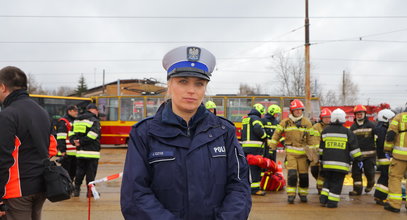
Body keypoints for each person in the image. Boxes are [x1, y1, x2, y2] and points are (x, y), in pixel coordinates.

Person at [120, 46, 251, 219]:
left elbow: (239, 187)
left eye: (199, 83)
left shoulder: (224, 132)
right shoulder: (144, 134)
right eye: (183, 81)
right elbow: (135, 196)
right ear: (169, 85)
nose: (192, 90)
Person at [0, 66, 52, 220]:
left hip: (16, 190)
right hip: (41, 185)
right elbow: (53, 147)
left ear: (3, 87)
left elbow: (3, 158)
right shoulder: (42, 111)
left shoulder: (7, 115)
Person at [269, 99, 316, 204]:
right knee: (292, 174)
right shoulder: (285, 122)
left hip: (303, 154)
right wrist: (272, 146)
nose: (298, 112)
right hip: (291, 153)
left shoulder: (307, 123)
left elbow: (311, 139)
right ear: (292, 111)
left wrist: (313, 156)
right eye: (296, 110)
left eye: (300, 110)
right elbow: (276, 134)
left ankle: (303, 194)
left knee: (303, 176)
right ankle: (291, 195)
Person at [319, 109, 361, 208]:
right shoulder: (348, 132)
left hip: (327, 164)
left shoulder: (325, 131)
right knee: (336, 183)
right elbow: (354, 149)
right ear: (343, 119)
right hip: (341, 166)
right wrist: (359, 159)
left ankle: (323, 199)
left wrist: (321, 160)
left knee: (327, 181)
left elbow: (321, 149)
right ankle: (332, 203)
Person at [70, 103, 101, 197]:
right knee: (91, 173)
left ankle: (76, 190)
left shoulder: (77, 120)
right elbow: (93, 135)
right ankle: (90, 192)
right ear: (93, 110)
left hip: (80, 152)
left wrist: (75, 142)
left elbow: (71, 133)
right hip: (92, 152)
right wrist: (81, 141)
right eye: (97, 110)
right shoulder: (94, 120)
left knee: (79, 171)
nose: (98, 112)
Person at [349, 104, 376, 196]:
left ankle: (370, 183)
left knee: (369, 172)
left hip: (369, 155)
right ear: (355, 115)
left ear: (365, 114)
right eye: (357, 114)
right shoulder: (353, 127)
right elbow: (351, 141)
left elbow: (376, 138)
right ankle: (357, 190)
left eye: (361, 114)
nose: (359, 116)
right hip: (357, 156)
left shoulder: (371, 125)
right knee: (356, 173)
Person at [241, 103, 268, 196]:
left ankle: (248, 187)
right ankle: (255, 189)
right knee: (256, 168)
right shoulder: (256, 118)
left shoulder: (246, 119)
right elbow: (257, 128)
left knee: (248, 168)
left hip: (245, 147)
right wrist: (265, 137)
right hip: (255, 148)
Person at [383, 111, 407, 213]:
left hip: (399, 156)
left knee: (395, 178)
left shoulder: (399, 117)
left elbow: (391, 134)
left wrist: (387, 149)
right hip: (400, 156)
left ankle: (395, 205)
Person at [373, 109, 395, 205]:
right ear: (385, 118)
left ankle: (378, 195)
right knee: (386, 176)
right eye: (391, 119)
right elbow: (383, 143)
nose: (392, 121)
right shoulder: (383, 129)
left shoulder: (379, 127)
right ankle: (380, 197)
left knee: (384, 175)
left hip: (382, 156)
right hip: (385, 156)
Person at [311, 108, 332, 194]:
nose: (327, 119)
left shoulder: (333, 127)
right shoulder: (316, 127)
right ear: (321, 118)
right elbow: (315, 141)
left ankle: (324, 186)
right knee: (314, 169)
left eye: (329, 117)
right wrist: (319, 154)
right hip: (318, 153)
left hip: (330, 153)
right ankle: (321, 184)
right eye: (325, 117)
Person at [56, 105, 79, 181]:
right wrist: (62, 150)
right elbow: (60, 137)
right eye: (75, 111)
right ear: (69, 111)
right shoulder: (63, 121)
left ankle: (70, 185)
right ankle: (65, 187)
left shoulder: (75, 121)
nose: (77, 112)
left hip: (74, 152)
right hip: (67, 152)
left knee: (73, 171)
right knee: (66, 172)